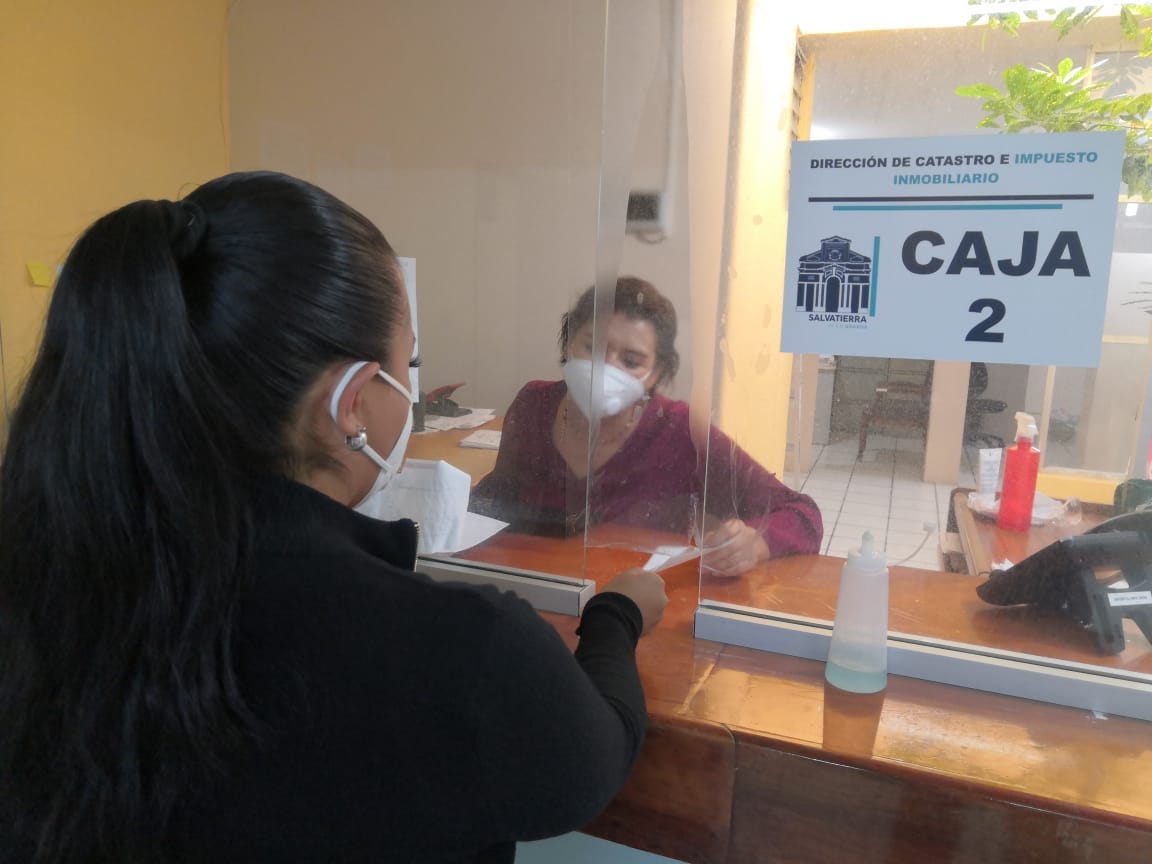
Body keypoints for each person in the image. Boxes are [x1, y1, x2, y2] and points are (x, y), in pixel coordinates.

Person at [0, 172, 668, 864]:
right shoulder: (466, 651)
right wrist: (616, 614)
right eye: (409, 362)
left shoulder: (50, 573)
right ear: (352, 401)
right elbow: (595, 757)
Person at [470, 277, 823, 576]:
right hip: (534, 588)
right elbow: (499, 497)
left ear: (655, 374)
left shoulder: (681, 431)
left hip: (633, 606)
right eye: (592, 347)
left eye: (631, 361)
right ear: (568, 344)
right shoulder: (533, 404)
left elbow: (802, 513)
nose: (607, 368)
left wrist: (756, 543)